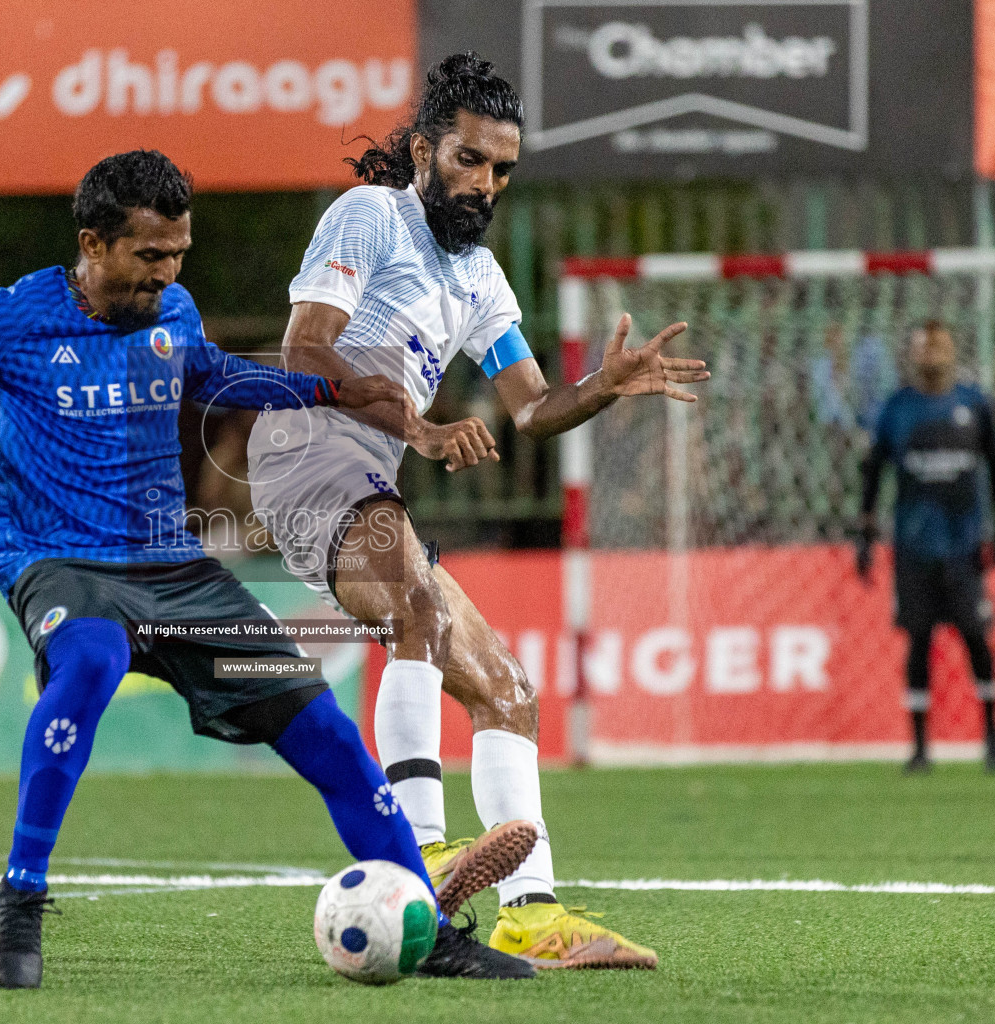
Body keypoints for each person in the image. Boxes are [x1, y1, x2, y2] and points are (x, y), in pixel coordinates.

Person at [0, 151, 539, 988]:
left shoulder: (173, 309)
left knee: (320, 724)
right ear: (92, 244)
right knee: (92, 660)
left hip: (177, 578)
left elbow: (210, 374)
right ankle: (20, 897)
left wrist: (329, 394)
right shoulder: (11, 318)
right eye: (149, 257)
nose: (167, 274)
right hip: (62, 565)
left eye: (178, 255)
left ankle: (428, 929)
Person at [248, 52, 708, 969]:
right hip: (305, 449)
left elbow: (532, 408)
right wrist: (416, 425)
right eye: (468, 160)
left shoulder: (482, 279)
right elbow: (304, 349)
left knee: (508, 692)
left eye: (502, 169)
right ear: (424, 149)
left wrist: (602, 387)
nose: (485, 183)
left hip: (371, 468)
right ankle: (415, 846)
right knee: (413, 602)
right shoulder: (371, 215)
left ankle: (530, 911)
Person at [858, 321, 995, 774]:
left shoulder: (975, 404)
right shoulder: (897, 408)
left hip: (964, 547)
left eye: (937, 346)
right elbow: (872, 471)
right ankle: (920, 746)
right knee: (918, 640)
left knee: (975, 638)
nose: (930, 355)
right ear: (912, 355)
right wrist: (864, 534)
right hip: (913, 547)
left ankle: (992, 733)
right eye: (922, 347)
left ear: (952, 350)